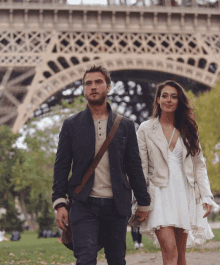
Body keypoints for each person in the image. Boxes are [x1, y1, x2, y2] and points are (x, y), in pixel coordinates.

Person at [52, 65, 151, 265]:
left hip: (116, 206)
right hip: (83, 204)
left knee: (116, 260)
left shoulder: (125, 126)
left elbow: (134, 167)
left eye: (98, 82)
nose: (93, 87)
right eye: (88, 83)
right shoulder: (71, 125)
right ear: (84, 89)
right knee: (85, 259)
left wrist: (143, 202)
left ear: (108, 87)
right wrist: (60, 203)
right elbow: (61, 166)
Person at [137, 80, 219, 265]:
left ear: (179, 101)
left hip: (184, 194)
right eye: (164, 96)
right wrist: (141, 201)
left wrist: (206, 195)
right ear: (158, 99)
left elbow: (199, 165)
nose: (169, 100)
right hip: (158, 194)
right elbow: (140, 167)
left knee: (181, 257)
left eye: (174, 96)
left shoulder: (189, 129)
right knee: (170, 252)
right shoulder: (145, 129)